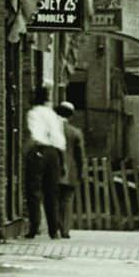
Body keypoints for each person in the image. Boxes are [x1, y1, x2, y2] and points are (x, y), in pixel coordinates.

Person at [25, 87, 66, 239]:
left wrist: (28, 151)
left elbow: (34, 133)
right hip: (54, 153)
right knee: (51, 191)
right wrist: (61, 160)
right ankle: (53, 230)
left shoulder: (33, 113)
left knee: (34, 190)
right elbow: (60, 138)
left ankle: (34, 227)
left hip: (39, 150)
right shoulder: (53, 114)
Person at [54, 101, 85, 239]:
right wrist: (80, 172)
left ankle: (54, 228)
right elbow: (80, 156)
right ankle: (65, 230)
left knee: (53, 199)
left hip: (52, 170)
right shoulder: (75, 132)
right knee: (66, 201)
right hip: (70, 172)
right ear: (71, 116)